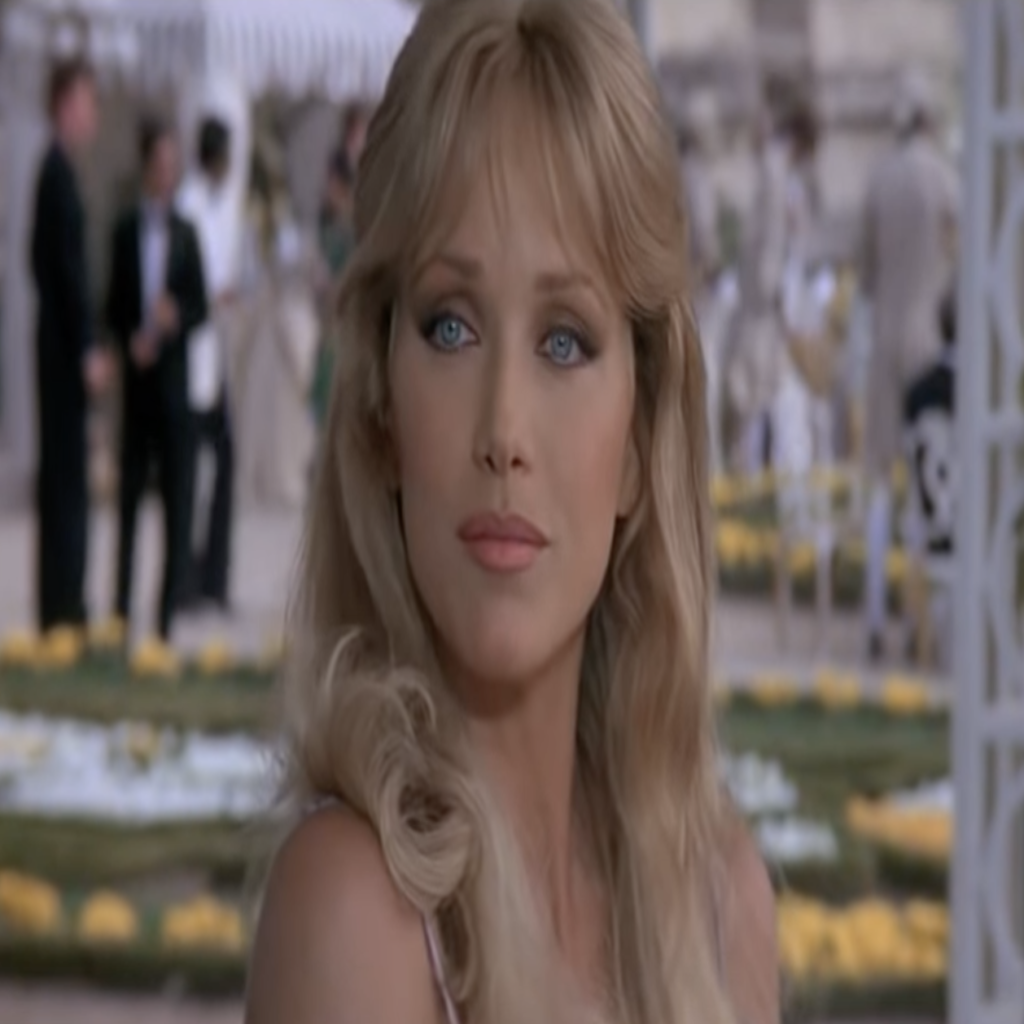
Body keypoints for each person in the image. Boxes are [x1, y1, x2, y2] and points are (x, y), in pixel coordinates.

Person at [246, 1, 777, 1022]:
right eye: (450, 327)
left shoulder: (723, 909)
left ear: (640, 439)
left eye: (564, 341)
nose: (503, 431)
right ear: (381, 409)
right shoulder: (354, 916)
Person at [857, 69, 958, 662]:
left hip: (883, 340)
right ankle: (923, 623)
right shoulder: (943, 177)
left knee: (880, 485)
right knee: (927, 482)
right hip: (925, 340)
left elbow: (864, 273)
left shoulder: (878, 177)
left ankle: (875, 616)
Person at [106, 117, 208, 643]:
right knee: (127, 505)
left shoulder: (187, 235)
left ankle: (165, 623)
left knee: (175, 506)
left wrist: (175, 320)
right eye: (160, 165)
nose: (167, 174)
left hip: (173, 391)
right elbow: (112, 306)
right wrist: (129, 340)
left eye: (173, 166)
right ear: (147, 168)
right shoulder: (125, 231)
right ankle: (121, 617)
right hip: (137, 389)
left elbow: (201, 307)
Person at [30, 57, 107, 634]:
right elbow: (61, 271)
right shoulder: (54, 175)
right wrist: (86, 348)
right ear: (64, 105)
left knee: (67, 478)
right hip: (62, 354)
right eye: (86, 102)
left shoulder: (61, 172)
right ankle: (63, 606)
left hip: (58, 348)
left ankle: (64, 600)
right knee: (65, 481)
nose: (92, 115)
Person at [178, 115, 242, 613]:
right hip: (191, 357)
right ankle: (186, 578)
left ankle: (214, 581)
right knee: (189, 475)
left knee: (223, 463)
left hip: (214, 358)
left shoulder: (221, 207)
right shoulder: (190, 206)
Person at [310, 148, 357, 432]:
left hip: (343, 343)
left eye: (329, 181)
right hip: (327, 339)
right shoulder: (329, 227)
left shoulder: (352, 232)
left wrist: (328, 287)